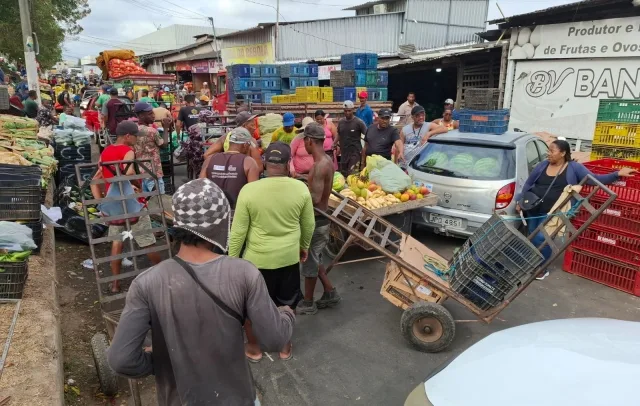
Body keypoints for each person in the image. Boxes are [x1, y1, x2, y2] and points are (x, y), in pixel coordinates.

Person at [107, 178, 295, 405]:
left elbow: (121, 360)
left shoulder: (147, 283)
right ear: (222, 223)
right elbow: (275, 339)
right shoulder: (244, 273)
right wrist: (287, 314)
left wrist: (161, 364)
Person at [229, 142, 315, 362]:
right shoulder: (300, 188)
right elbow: (309, 225)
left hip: (255, 263)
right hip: (287, 258)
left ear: (265, 162)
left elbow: (238, 232)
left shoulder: (249, 190)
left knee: (250, 307)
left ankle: (255, 348)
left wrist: (232, 261)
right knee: (286, 304)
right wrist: (303, 246)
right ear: (289, 163)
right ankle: (284, 346)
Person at [515, 140, 637, 280]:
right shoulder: (542, 165)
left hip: (554, 212)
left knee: (542, 238)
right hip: (533, 208)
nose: (548, 153)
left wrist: (617, 174)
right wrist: (521, 200)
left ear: (563, 153)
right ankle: (533, 262)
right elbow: (529, 183)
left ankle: (541, 268)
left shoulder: (574, 168)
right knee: (532, 235)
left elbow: (594, 179)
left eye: (552, 151)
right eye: (548, 150)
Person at [92, 121, 162, 293]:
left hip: (114, 205)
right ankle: (164, 275)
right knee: (146, 241)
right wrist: (137, 183)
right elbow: (128, 172)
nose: (136, 139)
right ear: (128, 136)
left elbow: (96, 179)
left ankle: (115, 285)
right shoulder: (128, 151)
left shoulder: (106, 151)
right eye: (135, 136)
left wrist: (101, 203)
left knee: (117, 243)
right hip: (132, 203)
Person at [297, 123, 341, 315]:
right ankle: (330, 291)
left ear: (309, 141)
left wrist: (296, 196)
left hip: (316, 220)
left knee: (310, 262)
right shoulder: (327, 161)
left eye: (304, 140)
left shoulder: (318, 166)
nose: (303, 144)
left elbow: (314, 198)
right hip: (323, 217)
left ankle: (308, 302)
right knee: (316, 257)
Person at [199, 127, 260, 208]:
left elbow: (200, 187)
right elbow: (253, 194)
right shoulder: (249, 162)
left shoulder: (210, 159)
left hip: (213, 209)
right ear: (245, 145)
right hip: (237, 210)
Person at [134, 102, 170, 194]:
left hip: (142, 171)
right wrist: (166, 128)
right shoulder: (152, 131)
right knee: (160, 200)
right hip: (154, 173)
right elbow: (164, 145)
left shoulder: (134, 130)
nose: (153, 116)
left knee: (148, 201)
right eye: (150, 114)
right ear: (141, 116)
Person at [335, 100, 367, 176]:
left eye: (349, 111)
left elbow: (367, 135)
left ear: (353, 109)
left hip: (355, 153)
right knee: (344, 175)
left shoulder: (359, 122)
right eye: (345, 111)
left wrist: (365, 149)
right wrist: (334, 143)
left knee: (352, 175)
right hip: (344, 153)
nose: (347, 113)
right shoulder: (341, 122)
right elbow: (339, 133)